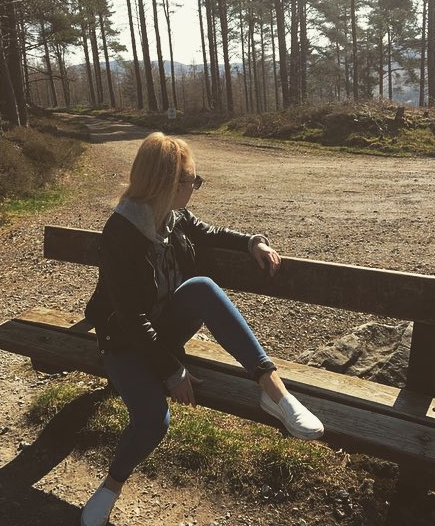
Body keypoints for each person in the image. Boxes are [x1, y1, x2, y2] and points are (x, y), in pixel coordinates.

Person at [81, 132, 324, 526]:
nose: (195, 186)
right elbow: (129, 316)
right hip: (125, 341)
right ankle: (110, 486)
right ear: (166, 184)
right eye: (191, 180)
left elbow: (211, 233)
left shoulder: (173, 218)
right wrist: (171, 370)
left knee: (201, 288)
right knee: (153, 419)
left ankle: (274, 393)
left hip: (163, 331)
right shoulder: (121, 232)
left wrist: (253, 243)